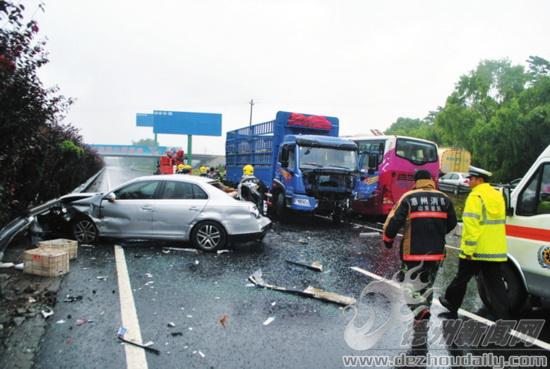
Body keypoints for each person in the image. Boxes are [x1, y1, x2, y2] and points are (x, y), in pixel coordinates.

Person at [383, 170, 457, 322]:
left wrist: (388, 239)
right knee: (428, 283)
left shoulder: (409, 197)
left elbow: (394, 221)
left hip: (413, 253)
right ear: (430, 180)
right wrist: (438, 233)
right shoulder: (444, 199)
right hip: (436, 252)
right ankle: (424, 312)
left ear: (415, 182)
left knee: (406, 281)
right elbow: (452, 223)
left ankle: (420, 309)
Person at [439, 166, 511, 319]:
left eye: (471, 179)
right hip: (494, 251)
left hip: (476, 250)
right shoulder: (497, 195)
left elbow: (472, 226)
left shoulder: (475, 196)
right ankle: (504, 314)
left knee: (461, 278)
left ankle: (451, 304)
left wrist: (469, 251)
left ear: (480, 180)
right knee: (495, 283)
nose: (468, 181)